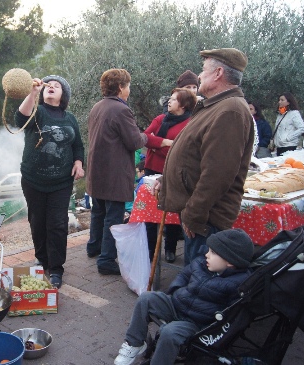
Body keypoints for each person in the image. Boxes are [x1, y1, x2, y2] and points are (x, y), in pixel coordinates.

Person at [156, 48, 255, 266]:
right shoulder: (217, 106)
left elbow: (218, 173)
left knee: (200, 283)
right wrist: (167, 179)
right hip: (201, 217)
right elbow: (194, 156)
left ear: (218, 73)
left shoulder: (230, 111)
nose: (199, 76)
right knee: (195, 279)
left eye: (203, 70)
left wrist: (194, 214)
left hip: (207, 220)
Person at [114, 229, 254, 365]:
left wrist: (212, 331)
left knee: (170, 333)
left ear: (230, 262)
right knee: (146, 298)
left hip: (196, 322)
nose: (207, 255)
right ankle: (134, 343)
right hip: (177, 304)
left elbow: (234, 316)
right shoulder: (201, 263)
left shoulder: (238, 283)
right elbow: (183, 275)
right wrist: (176, 291)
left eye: (213, 253)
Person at [15, 75, 85, 288]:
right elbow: (20, 118)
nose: (52, 87)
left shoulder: (70, 118)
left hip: (61, 182)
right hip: (33, 179)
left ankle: (56, 268)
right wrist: (32, 93)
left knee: (57, 223)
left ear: (64, 94)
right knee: (37, 221)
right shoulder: (37, 112)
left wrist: (79, 163)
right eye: (49, 85)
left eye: (57, 86)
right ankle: (41, 258)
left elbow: (78, 145)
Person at [86, 68, 147, 275]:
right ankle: (106, 260)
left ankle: (93, 248)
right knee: (113, 216)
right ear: (121, 87)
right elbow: (134, 141)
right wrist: (147, 136)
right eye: (128, 85)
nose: (129, 89)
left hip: (97, 170)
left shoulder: (97, 106)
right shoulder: (121, 110)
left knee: (98, 212)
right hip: (114, 174)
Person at [144, 88, 197, 263]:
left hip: (172, 172)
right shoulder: (160, 119)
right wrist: (165, 143)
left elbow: (181, 150)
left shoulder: (190, 123)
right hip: (152, 170)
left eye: (174, 99)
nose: (169, 101)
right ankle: (151, 250)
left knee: (172, 211)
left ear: (183, 105)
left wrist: (155, 145)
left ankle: (170, 249)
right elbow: (144, 138)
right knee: (151, 212)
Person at [273, 92, 304, 156]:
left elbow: (302, 128)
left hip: (289, 146)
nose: (279, 102)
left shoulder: (294, 113)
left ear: (288, 102)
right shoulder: (280, 114)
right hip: (279, 146)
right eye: (279, 100)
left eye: (282, 100)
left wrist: (288, 138)